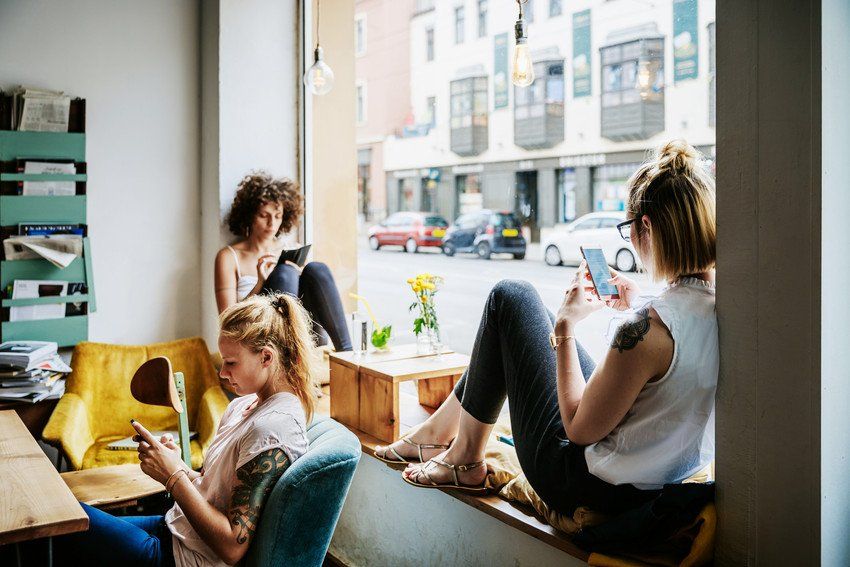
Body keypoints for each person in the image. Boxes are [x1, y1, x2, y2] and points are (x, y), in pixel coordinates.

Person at [376, 140, 717, 516]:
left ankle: (463, 460)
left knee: (510, 297)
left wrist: (565, 327)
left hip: (585, 486)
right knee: (512, 331)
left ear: (647, 227)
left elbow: (578, 430)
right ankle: (438, 437)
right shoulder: (723, 306)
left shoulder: (643, 333)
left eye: (628, 229)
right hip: (657, 480)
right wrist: (638, 299)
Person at [56, 293, 317, 567]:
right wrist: (176, 464)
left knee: (63, 520)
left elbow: (232, 546)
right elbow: (214, 492)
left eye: (231, 363)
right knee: (65, 520)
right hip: (175, 530)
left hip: (184, 558)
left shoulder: (273, 429)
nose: (222, 374)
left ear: (266, 357)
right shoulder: (244, 406)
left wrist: (173, 476)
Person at [215, 172, 352, 352]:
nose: (272, 223)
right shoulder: (229, 256)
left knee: (316, 269)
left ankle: (348, 353)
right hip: (261, 337)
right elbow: (228, 321)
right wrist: (260, 283)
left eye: (278, 216)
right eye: (264, 215)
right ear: (249, 215)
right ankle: (287, 358)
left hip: (303, 332)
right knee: (284, 273)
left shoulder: (290, 247)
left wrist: (301, 276)